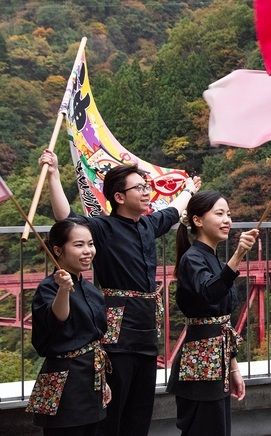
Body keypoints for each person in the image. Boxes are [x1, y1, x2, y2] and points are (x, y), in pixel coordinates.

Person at [40, 150, 200, 436]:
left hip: (146, 329)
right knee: (113, 410)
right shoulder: (102, 227)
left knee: (140, 410)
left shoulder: (149, 224)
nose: (146, 191)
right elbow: (65, 218)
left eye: (146, 186)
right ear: (119, 197)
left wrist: (188, 189)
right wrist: (53, 175)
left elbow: (174, 210)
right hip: (116, 329)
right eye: (139, 187)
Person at [165, 191, 258, 436]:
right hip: (200, 364)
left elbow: (222, 323)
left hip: (216, 361)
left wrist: (234, 368)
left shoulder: (213, 259)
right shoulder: (192, 258)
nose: (227, 220)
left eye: (228, 214)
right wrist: (238, 256)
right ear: (197, 220)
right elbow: (210, 292)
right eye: (219, 214)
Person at [28, 219, 112, 435]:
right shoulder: (48, 288)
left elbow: (96, 338)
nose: (87, 251)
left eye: (90, 244)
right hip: (64, 381)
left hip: (91, 377)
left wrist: (103, 379)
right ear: (58, 250)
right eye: (78, 245)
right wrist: (63, 290)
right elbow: (57, 321)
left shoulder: (90, 288)